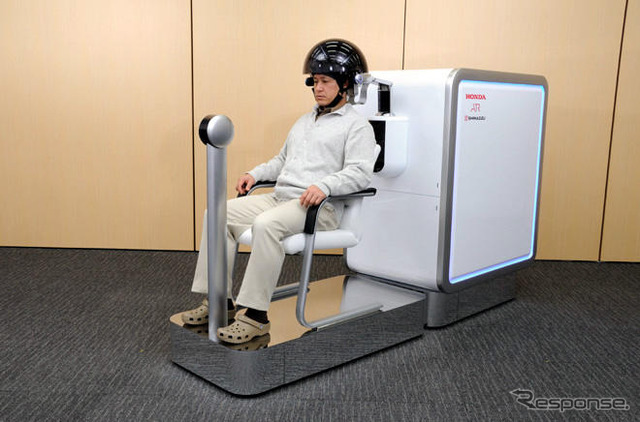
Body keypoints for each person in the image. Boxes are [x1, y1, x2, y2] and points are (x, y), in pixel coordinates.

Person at [182, 39, 376, 344]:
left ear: (345, 84)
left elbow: (360, 173)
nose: (318, 88)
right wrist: (255, 174)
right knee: (217, 213)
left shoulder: (357, 126)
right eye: (315, 81)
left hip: (317, 209)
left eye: (326, 81)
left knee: (266, 225)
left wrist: (324, 186)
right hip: (281, 198)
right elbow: (282, 161)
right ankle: (219, 300)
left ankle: (255, 317)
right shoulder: (304, 121)